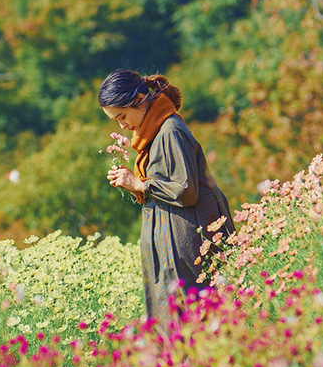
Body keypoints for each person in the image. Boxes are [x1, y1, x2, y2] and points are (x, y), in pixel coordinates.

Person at [100, 69, 234, 323]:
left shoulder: (170, 130)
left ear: (139, 99)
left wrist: (141, 185)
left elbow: (186, 190)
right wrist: (135, 185)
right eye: (115, 120)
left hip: (189, 246)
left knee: (200, 321)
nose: (122, 125)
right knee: (176, 323)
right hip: (172, 245)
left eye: (122, 116)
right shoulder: (152, 135)